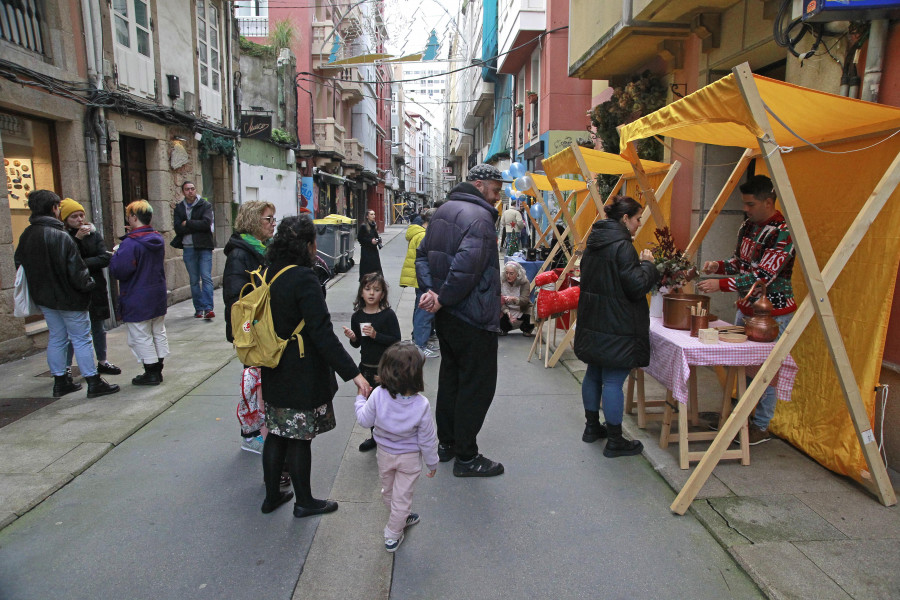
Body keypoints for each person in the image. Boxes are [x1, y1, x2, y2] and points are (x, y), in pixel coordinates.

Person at [259, 215, 371, 517]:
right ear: (309, 244)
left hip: (272, 364)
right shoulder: (304, 278)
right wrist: (354, 374)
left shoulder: (269, 272)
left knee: (277, 433)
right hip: (299, 368)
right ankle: (304, 502)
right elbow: (321, 333)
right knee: (298, 438)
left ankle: (272, 497)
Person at [415, 163, 506, 477]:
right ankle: (467, 457)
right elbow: (466, 268)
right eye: (495, 190)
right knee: (476, 385)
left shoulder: (442, 211)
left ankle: (448, 444)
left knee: (451, 379)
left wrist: (434, 293)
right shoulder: (480, 218)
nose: (498, 197)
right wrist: (442, 296)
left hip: (450, 316)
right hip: (472, 316)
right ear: (479, 185)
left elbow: (422, 255)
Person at [697, 174, 796, 445]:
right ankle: (740, 415)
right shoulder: (747, 227)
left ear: (768, 202)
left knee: (767, 371)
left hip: (773, 313)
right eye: (745, 204)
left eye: (751, 204)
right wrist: (718, 266)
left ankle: (761, 424)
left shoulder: (784, 232)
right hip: (745, 308)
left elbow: (764, 275)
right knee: (742, 367)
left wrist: (722, 285)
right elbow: (740, 263)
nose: (746, 209)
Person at [574, 196, 659, 458]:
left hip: (594, 321)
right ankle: (614, 439)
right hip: (617, 323)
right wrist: (648, 265)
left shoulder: (595, 243)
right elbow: (635, 286)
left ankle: (591, 428)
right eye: (636, 219)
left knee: (594, 373)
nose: (638, 224)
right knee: (612, 380)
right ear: (625, 219)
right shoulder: (623, 246)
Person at [14, 190, 119, 399]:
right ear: (54, 209)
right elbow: (76, 270)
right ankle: (93, 380)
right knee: (81, 338)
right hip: (69, 297)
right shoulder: (60, 236)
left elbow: (20, 264)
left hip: (45, 297)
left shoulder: (28, 234)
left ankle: (60, 381)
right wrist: (87, 286)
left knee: (57, 337)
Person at [355, 341, 438, 553]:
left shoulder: (378, 395)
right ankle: (393, 534)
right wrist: (432, 462)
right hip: (409, 457)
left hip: (384, 454)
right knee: (403, 495)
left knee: (388, 490)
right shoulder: (421, 404)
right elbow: (427, 438)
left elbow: (365, 420)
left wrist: (359, 400)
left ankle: (399, 516)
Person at [223, 201, 277, 454]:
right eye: (268, 219)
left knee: (263, 383)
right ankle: (250, 434)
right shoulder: (240, 254)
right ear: (254, 221)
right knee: (253, 383)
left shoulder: (263, 249)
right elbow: (235, 299)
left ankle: (263, 429)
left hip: (265, 329)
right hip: (251, 331)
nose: (273, 223)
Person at [110, 200, 169, 386]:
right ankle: (157, 368)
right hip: (156, 292)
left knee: (140, 334)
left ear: (134, 218)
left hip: (137, 294)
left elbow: (120, 270)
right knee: (157, 331)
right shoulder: (157, 238)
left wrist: (116, 255)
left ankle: (151, 372)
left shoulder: (131, 243)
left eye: (129, 216)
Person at [59, 198, 120, 376]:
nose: (79, 220)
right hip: (74, 289)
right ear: (65, 219)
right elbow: (67, 261)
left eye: (81, 215)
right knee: (72, 332)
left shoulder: (93, 234)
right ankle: (67, 367)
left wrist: (82, 263)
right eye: (74, 217)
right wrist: (77, 240)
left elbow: (105, 257)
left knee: (98, 327)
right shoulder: (65, 237)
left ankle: (102, 361)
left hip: (95, 286)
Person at [343, 272, 402, 452]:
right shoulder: (357, 317)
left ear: (382, 294)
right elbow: (358, 344)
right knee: (371, 405)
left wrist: (376, 335)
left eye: (376, 290)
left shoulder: (387, 315)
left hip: (385, 369)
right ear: (361, 292)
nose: (371, 293)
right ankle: (375, 436)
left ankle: (391, 437)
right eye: (367, 289)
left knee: (388, 405)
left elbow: (396, 340)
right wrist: (353, 338)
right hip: (366, 368)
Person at [171, 181, 215, 319]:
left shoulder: (205, 205)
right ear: (183, 192)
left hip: (204, 246)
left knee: (206, 277)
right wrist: (196, 225)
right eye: (187, 189)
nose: (190, 191)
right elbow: (178, 227)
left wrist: (188, 223)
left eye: (192, 188)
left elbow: (206, 223)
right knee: (194, 280)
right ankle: (199, 308)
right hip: (188, 247)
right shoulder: (179, 208)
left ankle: (208, 308)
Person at [400, 208, 438, 358]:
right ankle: (420, 346)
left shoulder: (418, 232)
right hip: (423, 280)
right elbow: (425, 261)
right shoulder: (423, 236)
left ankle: (419, 341)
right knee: (424, 312)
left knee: (420, 310)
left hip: (419, 278)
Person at [499, 261, 534, 337]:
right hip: (507, 309)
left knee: (533, 315)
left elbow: (525, 300)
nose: (508, 276)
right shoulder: (502, 282)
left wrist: (514, 299)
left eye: (511, 273)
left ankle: (526, 328)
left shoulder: (524, 282)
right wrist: (507, 312)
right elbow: (500, 300)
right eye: (506, 273)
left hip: (522, 309)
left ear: (518, 274)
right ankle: (505, 328)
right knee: (497, 319)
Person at [357, 209, 382, 281]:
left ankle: (376, 281)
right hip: (366, 251)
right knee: (367, 268)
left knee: (376, 267)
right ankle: (365, 282)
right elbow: (360, 238)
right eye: (371, 214)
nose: (373, 216)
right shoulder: (364, 226)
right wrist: (370, 241)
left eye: (374, 214)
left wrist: (378, 240)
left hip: (374, 250)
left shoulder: (374, 225)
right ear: (367, 216)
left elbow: (376, 236)